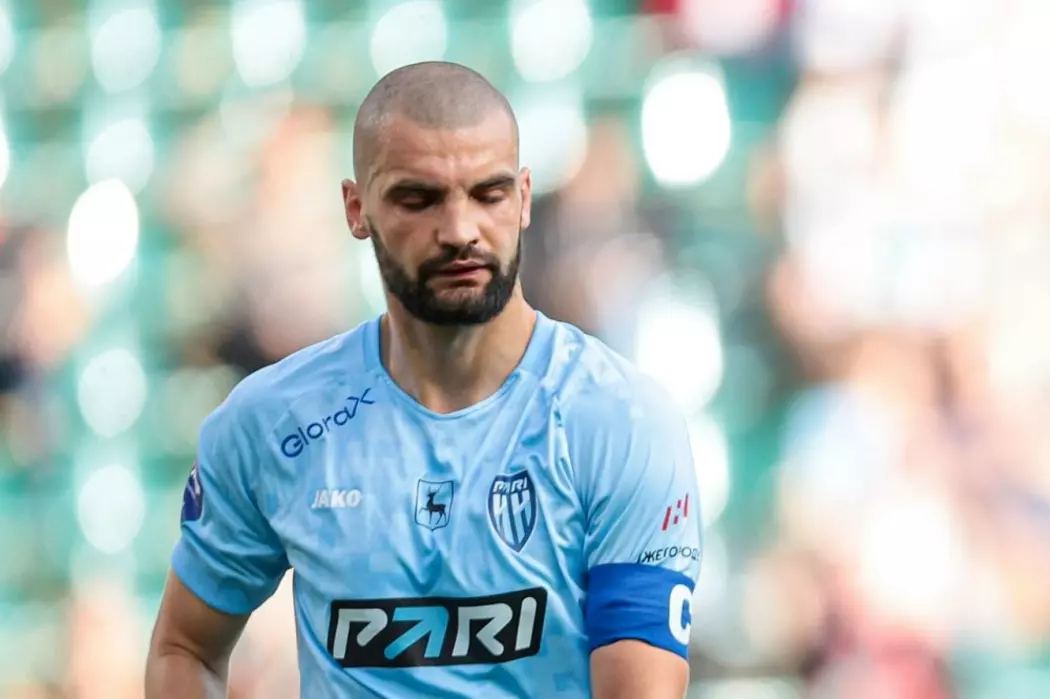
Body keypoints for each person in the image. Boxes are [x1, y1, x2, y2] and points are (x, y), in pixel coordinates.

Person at [145, 61, 702, 699]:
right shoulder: (273, 423)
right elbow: (184, 648)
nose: (460, 231)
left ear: (524, 199)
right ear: (357, 209)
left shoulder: (618, 420)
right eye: (419, 199)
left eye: (489, 194)